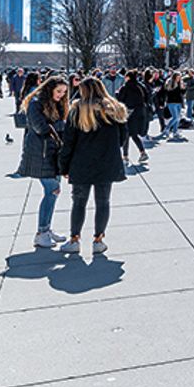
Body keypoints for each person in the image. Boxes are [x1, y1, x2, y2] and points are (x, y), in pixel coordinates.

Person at [57, 77, 128, 255]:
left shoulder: (77, 110)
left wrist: (63, 166)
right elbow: (122, 138)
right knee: (103, 202)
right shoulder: (115, 109)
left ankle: (74, 239)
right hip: (106, 162)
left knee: (79, 202)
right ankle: (98, 239)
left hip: (82, 162)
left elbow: (68, 142)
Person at [17, 76, 70, 248]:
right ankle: (41, 232)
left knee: (54, 192)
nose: (61, 95)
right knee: (52, 190)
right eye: (59, 91)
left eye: (64, 93)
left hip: (53, 152)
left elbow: (56, 126)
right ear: (50, 89)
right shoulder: (36, 103)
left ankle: (46, 228)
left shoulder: (55, 104)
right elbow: (41, 128)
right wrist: (61, 125)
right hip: (41, 152)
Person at [115, 70, 149, 164]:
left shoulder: (125, 87)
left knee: (126, 135)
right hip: (140, 113)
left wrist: (117, 93)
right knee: (134, 135)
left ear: (128, 77)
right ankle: (142, 152)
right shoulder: (140, 86)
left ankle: (125, 156)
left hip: (129, 113)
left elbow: (120, 99)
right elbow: (147, 97)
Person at [163, 72, 184, 138]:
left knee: (178, 118)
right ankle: (167, 128)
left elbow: (182, 93)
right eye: (177, 77)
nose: (178, 79)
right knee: (175, 117)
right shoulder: (170, 83)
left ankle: (175, 131)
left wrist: (183, 88)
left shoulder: (180, 83)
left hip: (178, 102)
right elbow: (168, 92)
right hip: (172, 102)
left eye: (179, 77)